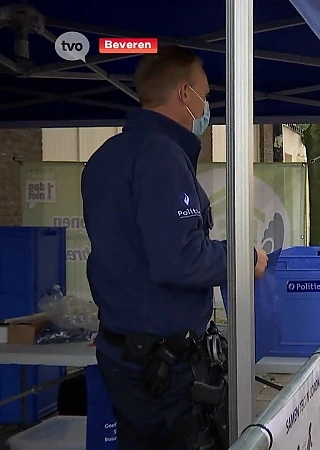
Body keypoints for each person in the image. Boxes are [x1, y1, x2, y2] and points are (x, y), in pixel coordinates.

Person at [81, 46, 269, 450]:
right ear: (185, 95)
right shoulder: (162, 157)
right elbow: (179, 260)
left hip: (126, 354)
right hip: (163, 368)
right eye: (205, 93)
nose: (208, 106)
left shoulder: (105, 157)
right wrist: (243, 260)